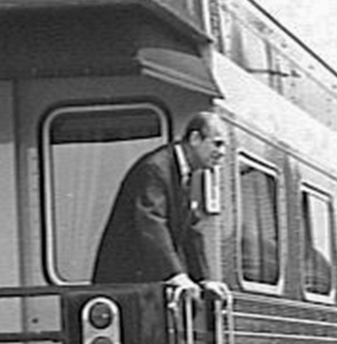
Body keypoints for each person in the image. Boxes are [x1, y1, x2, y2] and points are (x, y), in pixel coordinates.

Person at [92, 110, 232, 302]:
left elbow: (192, 232)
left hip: (144, 285)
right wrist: (176, 275)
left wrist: (205, 279)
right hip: (126, 286)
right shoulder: (156, 169)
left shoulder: (185, 173)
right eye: (217, 143)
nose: (222, 153)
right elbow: (151, 223)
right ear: (195, 138)